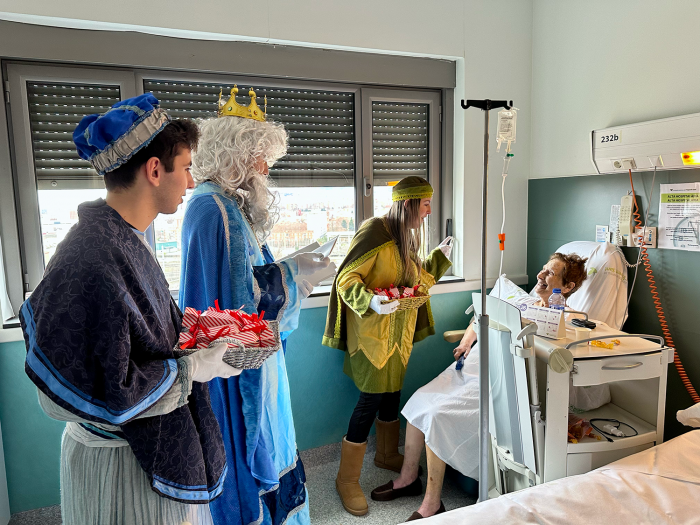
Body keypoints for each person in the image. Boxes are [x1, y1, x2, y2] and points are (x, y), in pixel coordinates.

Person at [20, 94, 242, 525]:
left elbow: (139, 336)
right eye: (186, 168)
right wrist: (191, 370)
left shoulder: (125, 238)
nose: (191, 182)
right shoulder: (92, 256)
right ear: (155, 171)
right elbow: (73, 390)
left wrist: (202, 336)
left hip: (136, 455)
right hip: (121, 469)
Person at [179, 87, 328, 525]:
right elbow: (232, 311)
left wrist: (289, 270)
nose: (265, 169)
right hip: (231, 371)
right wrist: (294, 277)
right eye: (260, 157)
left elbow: (243, 283)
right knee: (248, 459)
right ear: (235, 156)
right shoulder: (213, 210)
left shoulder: (228, 206)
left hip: (253, 360)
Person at [374, 252, 588, 521]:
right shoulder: (521, 301)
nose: (541, 275)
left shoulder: (566, 321)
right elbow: (478, 319)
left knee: (437, 415)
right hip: (472, 367)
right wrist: (466, 343)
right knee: (419, 400)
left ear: (567, 287)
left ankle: (432, 504)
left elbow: (558, 360)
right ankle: (408, 478)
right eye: (543, 269)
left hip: (501, 378)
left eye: (551, 273)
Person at [322, 176, 453, 516]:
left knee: (393, 393)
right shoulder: (375, 231)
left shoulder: (405, 238)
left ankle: (386, 454)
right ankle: (346, 478)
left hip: (398, 335)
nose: (428, 211)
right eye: (425, 204)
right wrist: (369, 301)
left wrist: (439, 258)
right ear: (408, 203)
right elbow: (346, 279)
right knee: (370, 401)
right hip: (372, 336)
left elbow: (415, 282)